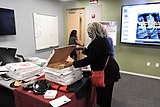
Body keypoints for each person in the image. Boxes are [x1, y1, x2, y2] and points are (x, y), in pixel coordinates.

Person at [68, 22, 121, 107]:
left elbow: (89, 59)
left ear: (94, 31)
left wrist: (73, 63)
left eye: (89, 33)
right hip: (108, 68)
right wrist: (84, 49)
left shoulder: (98, 42)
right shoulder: (102, 40)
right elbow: (93, 53)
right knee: (101, 93)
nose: (88, 35)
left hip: (108, 72)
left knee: (105, 96)